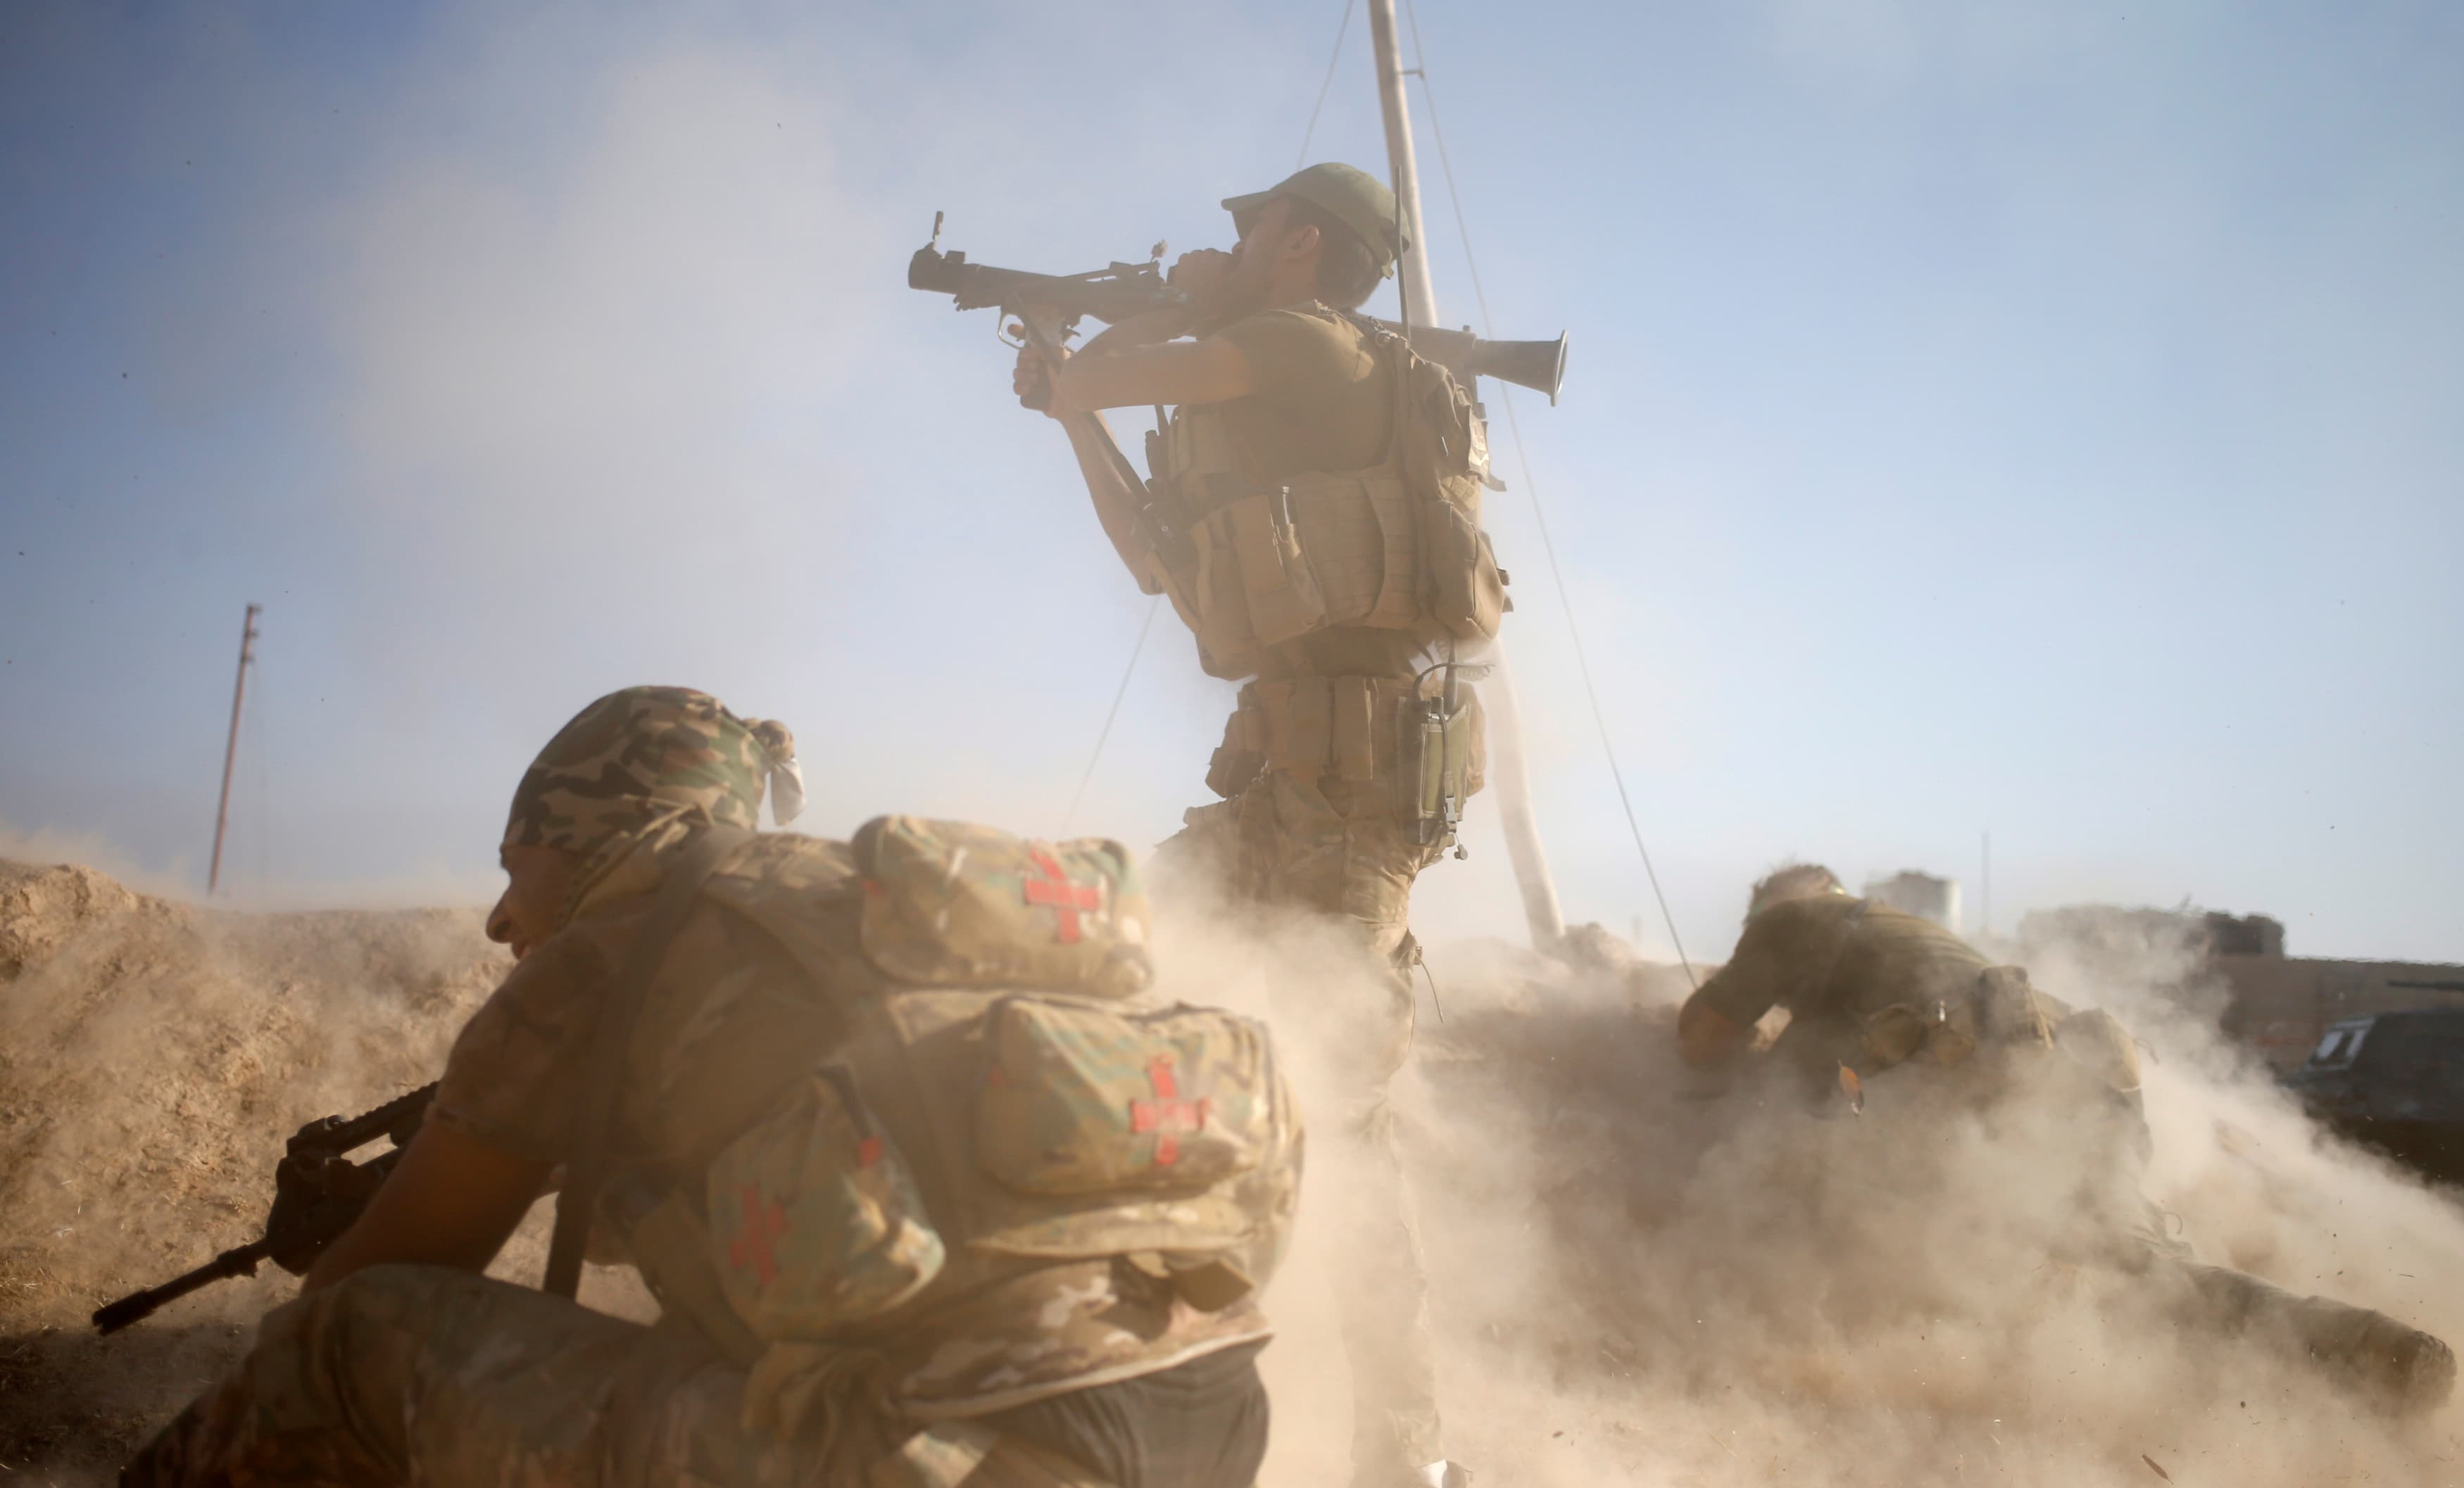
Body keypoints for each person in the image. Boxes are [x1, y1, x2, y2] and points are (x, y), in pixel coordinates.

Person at [122, 686, 1300, 1488]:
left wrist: (355, 1240)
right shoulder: (873, 907)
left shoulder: (599, 960)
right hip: (1206, 1429)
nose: (497, 915)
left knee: (342, 1340)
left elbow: (371, 1283)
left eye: (514, 857)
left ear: (590, 832)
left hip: (947, 1460)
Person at [1013, 163, 1500, 1488]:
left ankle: (1408, 1458)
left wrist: (1119, 335)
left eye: (1241, 236)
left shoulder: (1305, 344)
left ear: (1299, 245)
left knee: (1342, 1104)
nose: (1218, 251)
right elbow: (1157, 561)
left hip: (1359, 794)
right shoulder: (1267, 370)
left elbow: (1135, 373)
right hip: (1281, 776)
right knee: (1111, 963)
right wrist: (1067, 409)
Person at [1671, 862, 2456, 1415]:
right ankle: (2352, 1348)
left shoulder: (1792, 916)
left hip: (1973, 1071)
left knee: (1865, 1228)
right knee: (2140, 1267)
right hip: (2082, 1070)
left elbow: (1701, 1033)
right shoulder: (1893, 943)